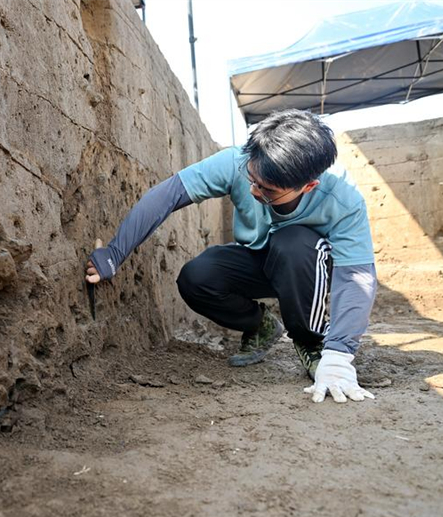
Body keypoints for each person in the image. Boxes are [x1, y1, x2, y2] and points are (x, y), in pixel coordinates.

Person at [85, 109, 377, 404]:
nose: (253, 191)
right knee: (196, 277)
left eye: (268, 190)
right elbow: (170, 194)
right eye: (252, 179)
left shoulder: (343, 200)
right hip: (258, 259)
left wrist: (340, 352)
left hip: (306, 267)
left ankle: (312, 341)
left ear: (308, 185)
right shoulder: (237, 161)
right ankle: (259, 325)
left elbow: (356, 279)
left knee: (293, 242)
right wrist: (115, 252)